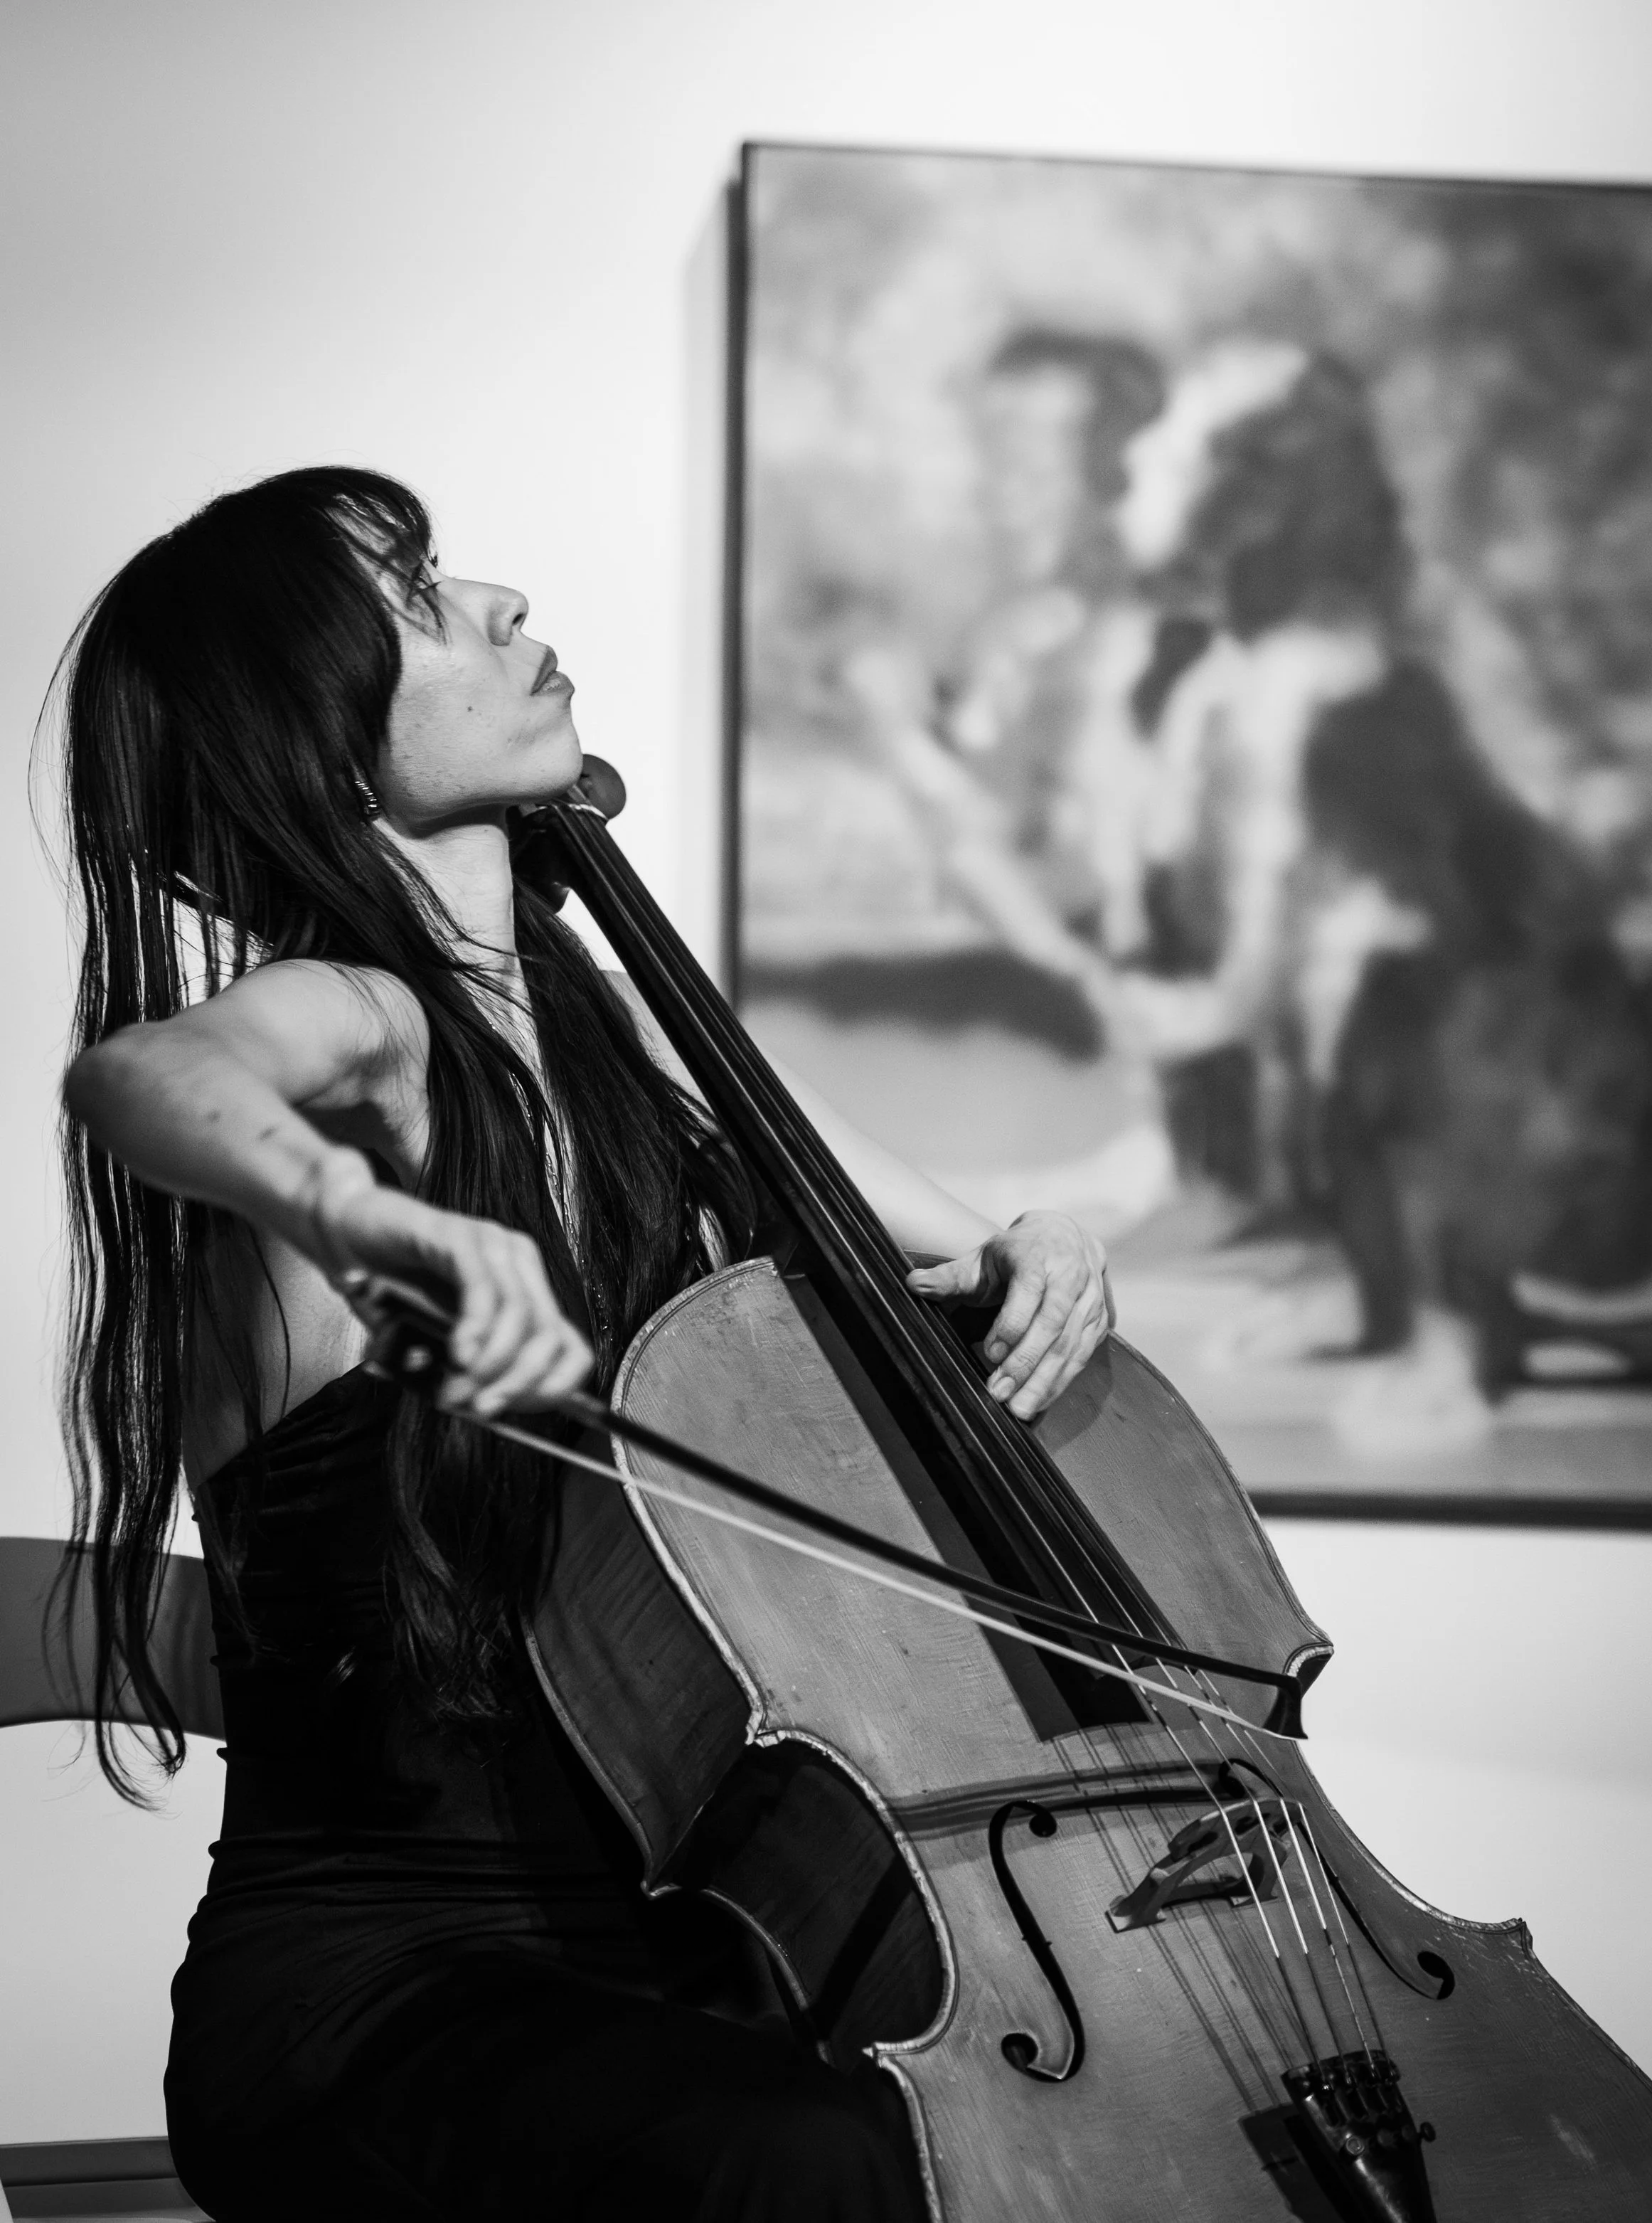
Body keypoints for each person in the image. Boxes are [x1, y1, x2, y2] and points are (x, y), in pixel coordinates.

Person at [53, 467, 1114, 2222]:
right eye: (416, 602)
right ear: (313, 743)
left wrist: (1045, 1241)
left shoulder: (620, 1032)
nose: (502, 602)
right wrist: (362, 1212)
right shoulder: (362, 1022)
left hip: (693, 1955)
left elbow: (954, 1232)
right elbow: (143, 1079)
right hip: (392, 2001)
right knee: (817, 2162)